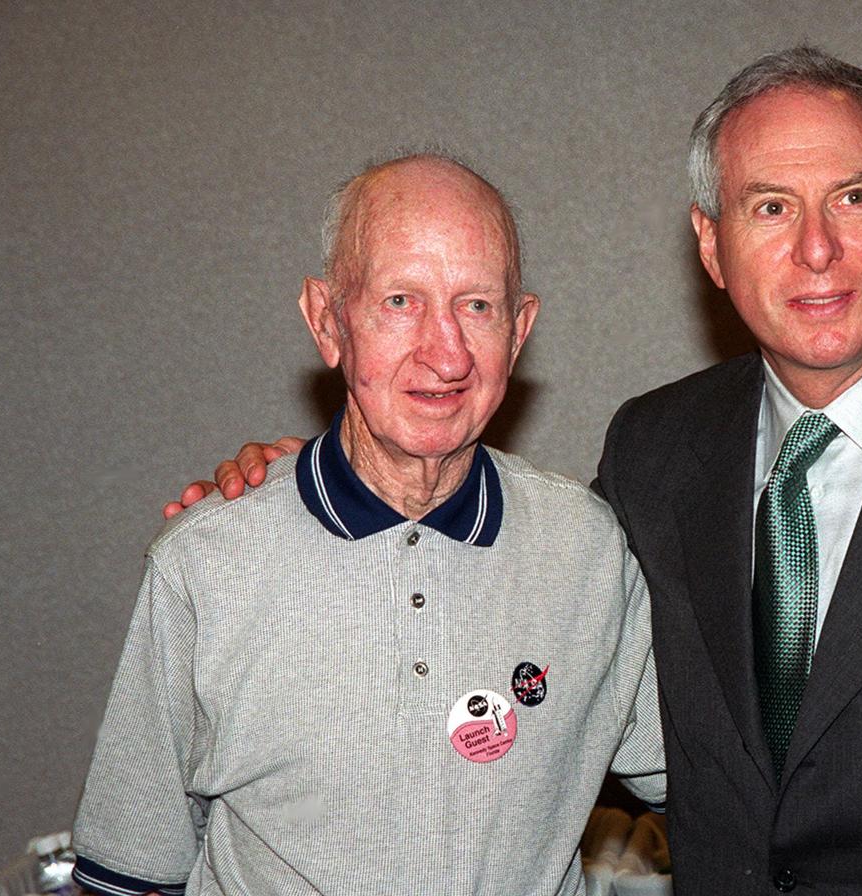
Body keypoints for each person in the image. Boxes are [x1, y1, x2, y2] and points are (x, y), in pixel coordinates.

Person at [173, 49, 862, 894]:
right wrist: (325, 484)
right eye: (769, 206)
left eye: (854, 197)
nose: (815, 248)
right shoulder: (651, 451)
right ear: (710, 243)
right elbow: (518, 637)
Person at [74, 154, 665, 896]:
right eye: (399, 301)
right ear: (328, 322)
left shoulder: (587, 550)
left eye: (477, 305)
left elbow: (720, 781)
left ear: (520, 331)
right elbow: (133, 872)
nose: (445, 352)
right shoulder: (205, 564)